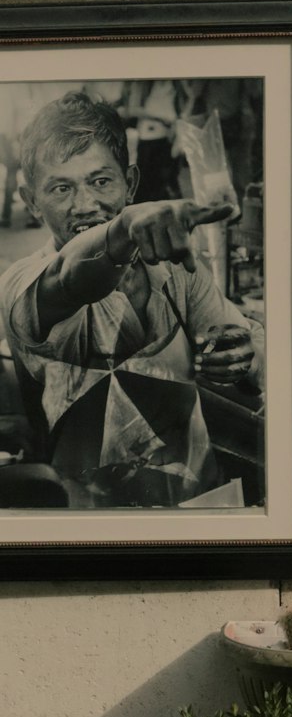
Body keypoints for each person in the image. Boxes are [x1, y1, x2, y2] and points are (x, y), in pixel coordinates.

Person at [0, 89, 263, 508]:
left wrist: (241, 356)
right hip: (90, 533)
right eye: (61, 189)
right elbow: (70, 279)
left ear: (131, 183)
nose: (85, 205)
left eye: (101, 181)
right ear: (32, 202)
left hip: (200, 512)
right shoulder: (22, 284)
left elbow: (242, 349)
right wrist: (120, 232)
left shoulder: (177, 269)